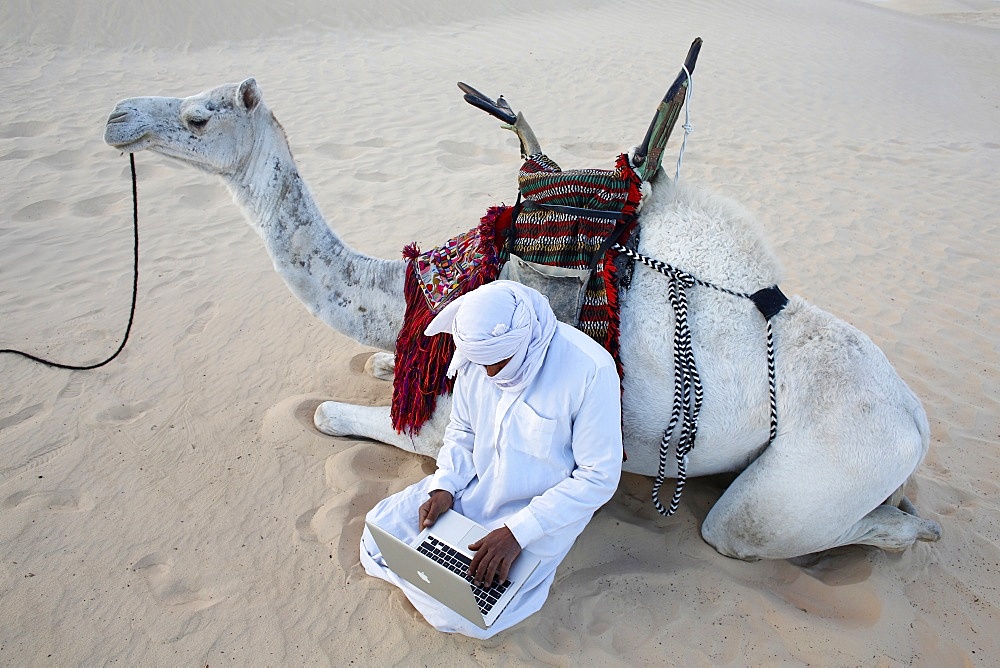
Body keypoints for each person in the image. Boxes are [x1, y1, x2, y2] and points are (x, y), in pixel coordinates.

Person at [360, 280, 623, 638]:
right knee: (378, 532)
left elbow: (598, 477)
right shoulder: (474, 356)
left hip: (540, 514)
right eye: (479, 364)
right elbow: (463, 431)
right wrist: (445, 486)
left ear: (523, 342)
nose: (487, 374)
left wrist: (518, 532)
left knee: (463, 616)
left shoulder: (590, 370)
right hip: (474, 487)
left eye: (496, 363)